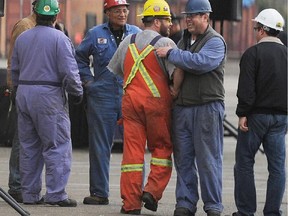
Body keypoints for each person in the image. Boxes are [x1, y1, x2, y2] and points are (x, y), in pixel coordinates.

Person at [156, 0, 227, 215]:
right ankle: (185, 203)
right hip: (183, 109)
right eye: (187, 15)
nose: (188, 19)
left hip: (207, 108)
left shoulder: (216, 41)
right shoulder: (184, 39)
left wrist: (171, 53)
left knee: (208, 160)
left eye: (193, 16)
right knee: (184, 160)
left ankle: (213, 205)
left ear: (205, 17)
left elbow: (200, 63)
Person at [107, 0, 177, 214]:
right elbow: (175, 75)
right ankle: (152, 192)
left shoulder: (128, 40)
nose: (170, 25)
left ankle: (130, 205)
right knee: (162, 149)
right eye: (167, 20)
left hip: (130, 103)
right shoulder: (166, 43)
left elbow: (117, 69)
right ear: (157, 21)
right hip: (156, 104)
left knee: (132, 156)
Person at [11, 0, 83, 207]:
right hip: (48, 94)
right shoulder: (60, 39)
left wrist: (18, 90)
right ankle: (56, 194)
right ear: (56, 16)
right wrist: (76, 92)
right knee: (57, 145)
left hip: (24, 92)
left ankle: (30, 194)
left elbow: (14, 68)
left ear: (35, 12)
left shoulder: (23, 38)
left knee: (29, 146)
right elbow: (69, 71)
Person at [75, 0, 141, 205]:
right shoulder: (95, 34)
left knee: (135, 146)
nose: (122, 14)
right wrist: (88, 82)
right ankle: (99, 193)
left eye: (124, 10)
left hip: (130, 93)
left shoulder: (136, 34)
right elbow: (80, 58)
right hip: (102, 95)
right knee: (100, 146)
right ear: (107, 12)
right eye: (117, 11)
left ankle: (134, 194)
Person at [233, 8, 287, 216]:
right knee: (277, 168)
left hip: (255, 117)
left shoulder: (252, 53)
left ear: (264, 30)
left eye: (256, 28)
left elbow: (246, 88)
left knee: (245, 163)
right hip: (281, 118)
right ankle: (273, 212)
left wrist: (242, 113)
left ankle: (246, 211)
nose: (255, 31)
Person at [6, 0, 38, 203]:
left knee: (35, 140)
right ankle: (16, 184)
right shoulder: (24, 25)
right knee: (22, 138)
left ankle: (27, 184)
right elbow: (13, 60)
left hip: (41, 90)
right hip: (24, 88)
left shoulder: (50, 27)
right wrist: (13, 86)